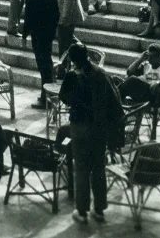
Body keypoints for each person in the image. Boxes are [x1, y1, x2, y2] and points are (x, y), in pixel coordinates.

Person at [58, 42, 123, 224]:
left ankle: (82, 211)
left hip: (79, 126)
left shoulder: (72, 76)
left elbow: (64, 97)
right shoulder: (101, 74)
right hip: (99, 127)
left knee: (82, 168)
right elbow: (115, 102)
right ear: (87, 55)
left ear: (71, 59)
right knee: (98, 167)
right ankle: (99, 209)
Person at [22, 0, 59, 110]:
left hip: (38, 35)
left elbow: (28, 17)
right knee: (47, 63)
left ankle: (46, 99)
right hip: (48, 34)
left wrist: (25, 35)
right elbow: (56, 13)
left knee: (43, 66)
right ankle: (47, 95)